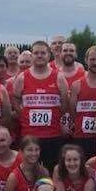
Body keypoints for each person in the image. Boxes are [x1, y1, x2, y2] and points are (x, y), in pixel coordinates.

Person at [12, 41, 70, 170]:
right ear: (31, 56)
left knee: (51, 171)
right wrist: (22, 115)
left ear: (48, 55)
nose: (39, 56)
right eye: (36, 53)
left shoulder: (59, 77)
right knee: (28, 171)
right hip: (29, 135)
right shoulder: (22, 77)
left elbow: (65, 101)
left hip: (53, 135)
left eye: (42, 53)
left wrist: (57, 115)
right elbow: (15, 98)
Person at [70, 46, 96, 155]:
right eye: (92, 59)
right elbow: (72, 111)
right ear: (86, 60)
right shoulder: (76, 85)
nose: (95, 63)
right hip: (81, 137)